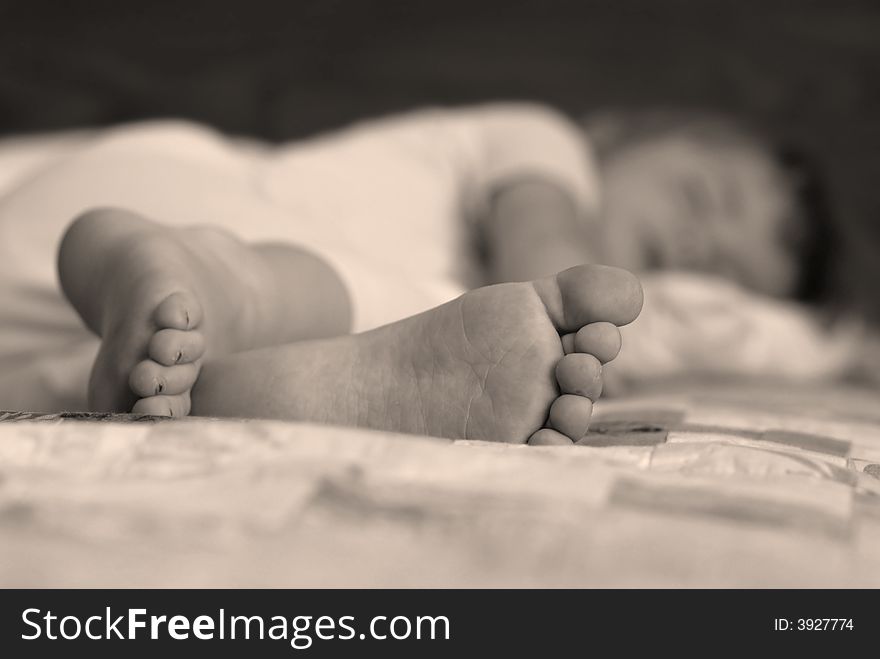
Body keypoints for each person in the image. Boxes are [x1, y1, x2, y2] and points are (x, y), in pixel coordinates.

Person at [0, 103, 839, 441]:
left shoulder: (433, 307)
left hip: (70, 346)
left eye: (727, 268)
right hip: (175, 199)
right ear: (619, 131)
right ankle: (214, 281)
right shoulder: (538, 140)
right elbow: (544, 238)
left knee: (140, 374)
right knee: (304, 287)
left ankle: (241, 378)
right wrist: (569, 335)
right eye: (701, 195)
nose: (698, 244)